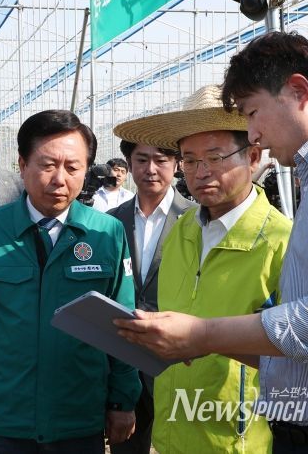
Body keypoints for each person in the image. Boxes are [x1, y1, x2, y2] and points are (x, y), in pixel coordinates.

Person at [116, 32, 308, 453]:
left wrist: (203, 334)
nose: (254, 134)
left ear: (298, 91)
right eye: (190, 160)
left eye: (252, 112)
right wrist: (198, 340)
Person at [0, 109, 141, 454]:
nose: (60, 179)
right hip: (6, 418)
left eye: (73, 167)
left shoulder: (107, 233)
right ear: (22, 164)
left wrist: (123, 400)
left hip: (79, 416)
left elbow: (122, 323)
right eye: (47, 165)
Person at [114, 84, 291, 453]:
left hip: (239, 439)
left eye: (215, 157)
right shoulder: (182, 232)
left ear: (253, 157)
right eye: (190, 160)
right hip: (172, 433)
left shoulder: (281, 243)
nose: (201, 172)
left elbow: (299, 352)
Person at [106, 140, 193, 454]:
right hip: (125, 357)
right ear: (129, 164)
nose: (150, 169)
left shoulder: (196, 219)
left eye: (160, 160)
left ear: (176, 164)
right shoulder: (111, 222)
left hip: (178, 360)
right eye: (141, 160)